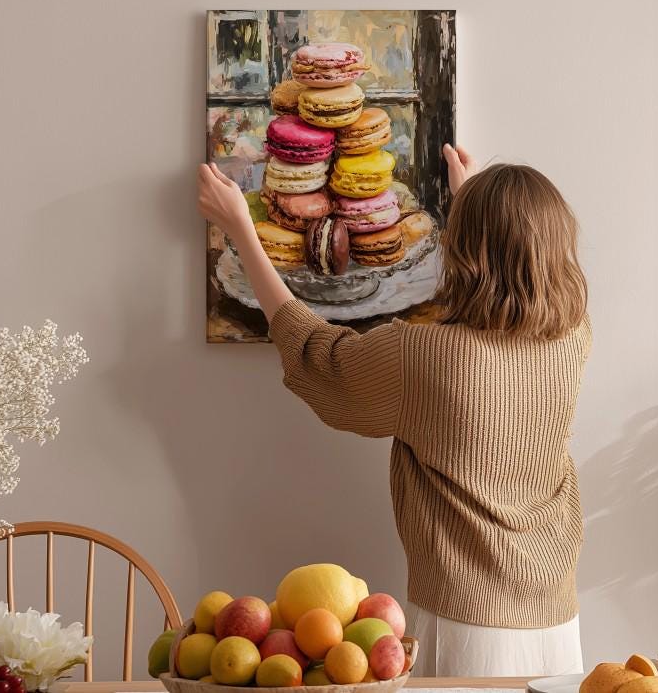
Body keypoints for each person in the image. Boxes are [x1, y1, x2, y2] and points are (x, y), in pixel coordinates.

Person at [197, 144, 591, 677]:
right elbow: (501, 307)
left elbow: (317, 352)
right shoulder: (573, 338)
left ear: (465, 248)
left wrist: (242, 229)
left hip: (464, 623)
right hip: (558, 621)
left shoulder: (423, 356)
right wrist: (473, 203)